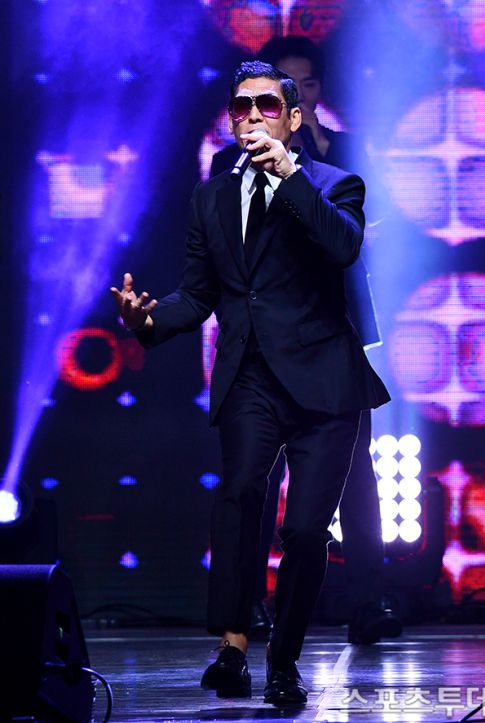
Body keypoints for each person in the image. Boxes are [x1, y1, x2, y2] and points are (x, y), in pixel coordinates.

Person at [111, 60, 390, 705]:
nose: (253, 116)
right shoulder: (211, 196)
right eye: (242, 107)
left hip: (325, 382)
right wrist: (148, 321)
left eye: (267, 105)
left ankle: (283, 660)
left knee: (305, 531)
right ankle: (232, 647)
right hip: (250, 375)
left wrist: (290, 175)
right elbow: (199, 293)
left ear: (293, 118)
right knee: (239, 498)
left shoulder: (336, 183)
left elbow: (343, 247)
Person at [211, 36, 401, 646]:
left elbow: (361, 226)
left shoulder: (342, 155)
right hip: (264, 338)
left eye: (306, 84)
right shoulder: (228, 164)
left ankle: (369, 598)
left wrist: (306, 152)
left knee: (353, 473)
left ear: (303, 98)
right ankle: (249, 605)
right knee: (253, 478)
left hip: (331, 328)